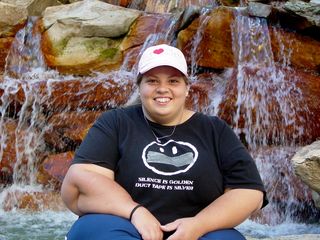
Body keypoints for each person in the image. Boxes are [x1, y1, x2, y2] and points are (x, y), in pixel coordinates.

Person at [61, 44, 268, 240]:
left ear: (187, 88)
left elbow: (249, 193)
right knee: (93, 230)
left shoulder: (215, 129)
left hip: (199, 232)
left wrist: (198, 225)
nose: (162, 89)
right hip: (125, 226)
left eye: (173, 81)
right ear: (139, 87)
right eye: (152, 81)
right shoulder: (116, 122)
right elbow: (80, 180)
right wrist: (135, 212)